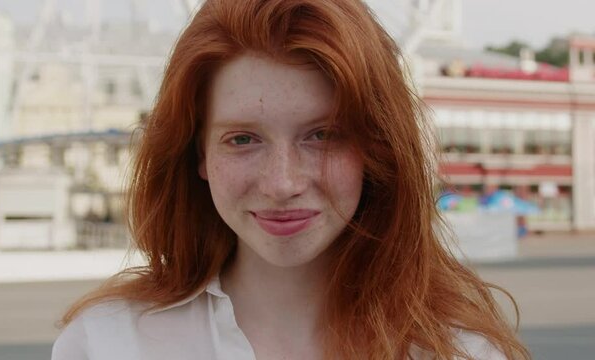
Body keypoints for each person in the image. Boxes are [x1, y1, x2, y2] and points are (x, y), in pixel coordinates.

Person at [52, 0, 530, 359]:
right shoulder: (107, 344)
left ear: (377, 148)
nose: (282, 184)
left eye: (322, 135)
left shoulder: (459, 351)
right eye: (243, 139)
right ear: (198, 153)